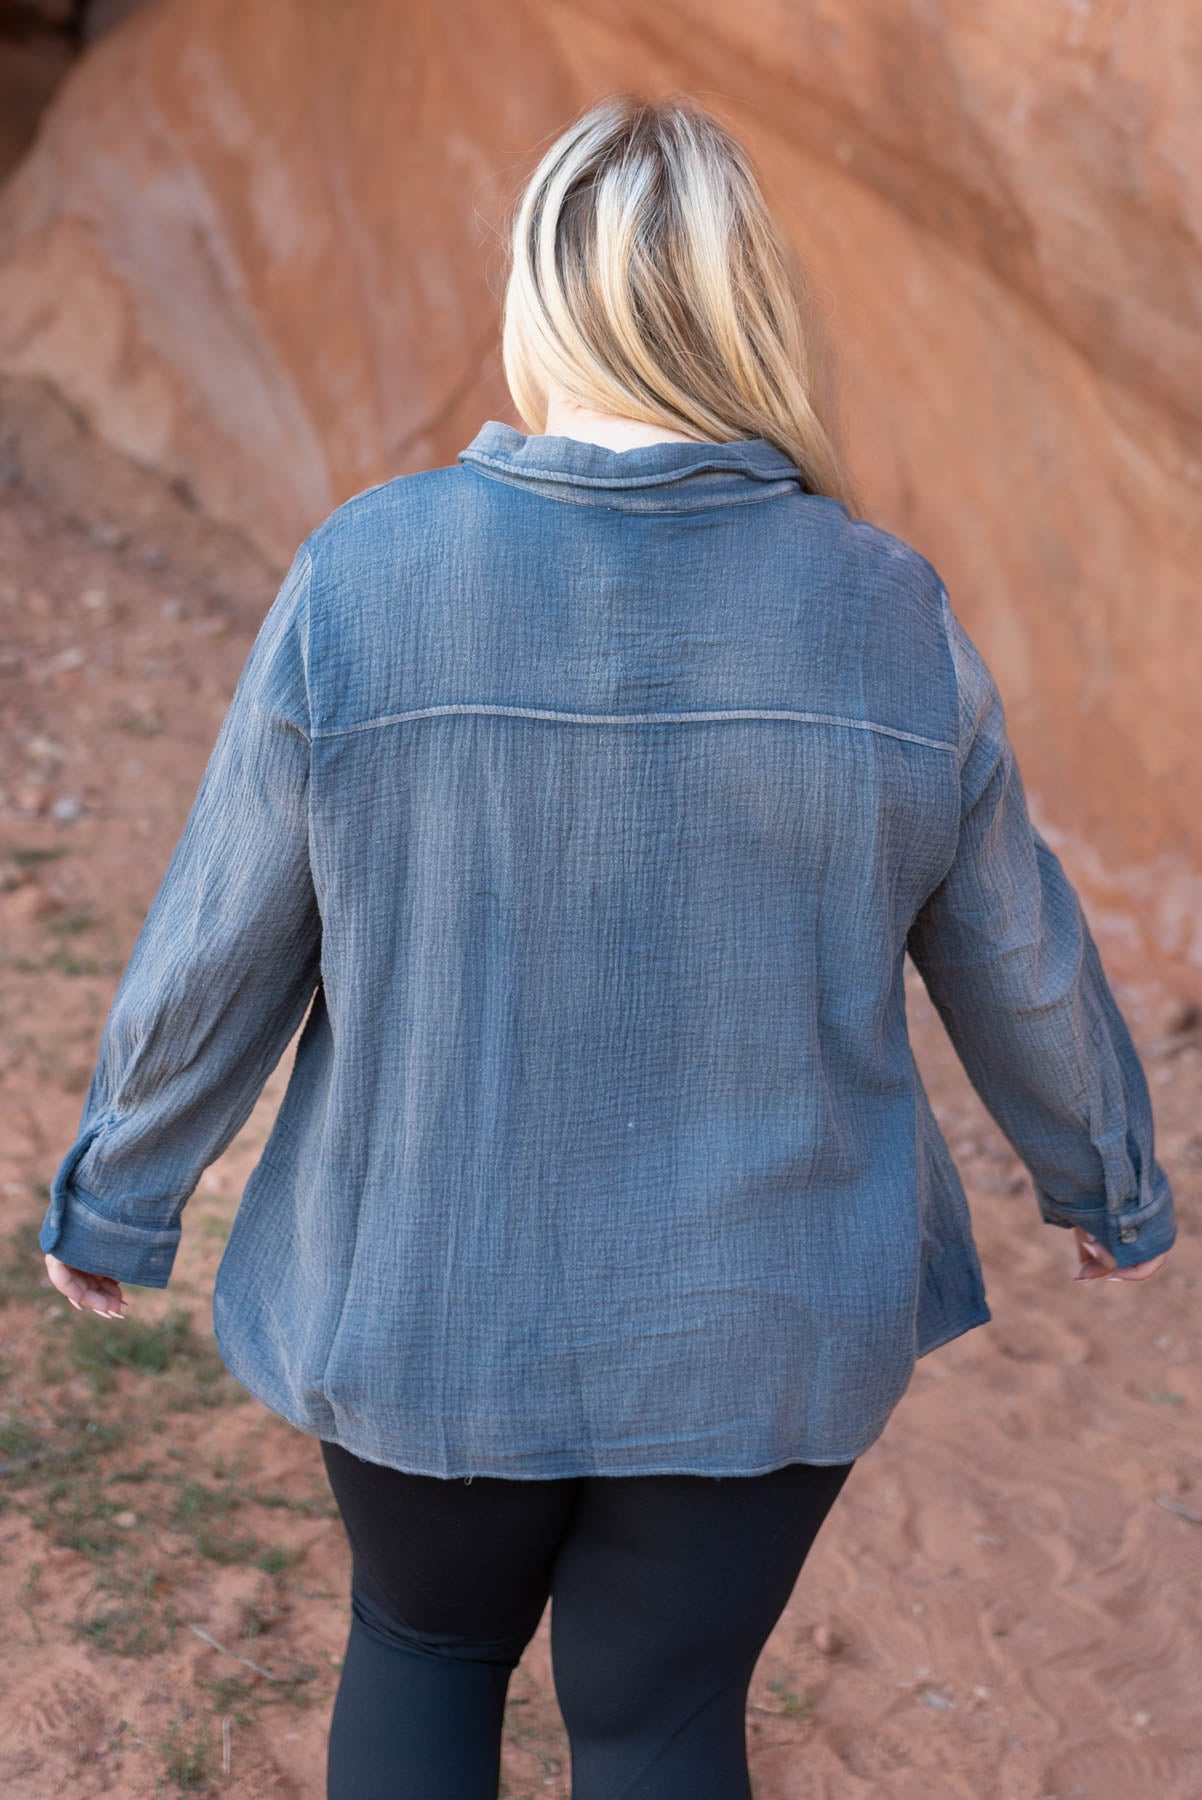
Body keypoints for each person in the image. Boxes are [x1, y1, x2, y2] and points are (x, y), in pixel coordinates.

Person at [39, 93, 1174, 1799]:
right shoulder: (885, 611)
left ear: (538, 301)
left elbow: (222, 940)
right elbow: (1018, 951)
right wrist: (1099, 1178)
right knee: (659, 1722)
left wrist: (120, 1190)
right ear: (750, 311)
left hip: (422, 1302)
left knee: (423, 1655)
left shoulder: (363, 578)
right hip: (765, 1325)